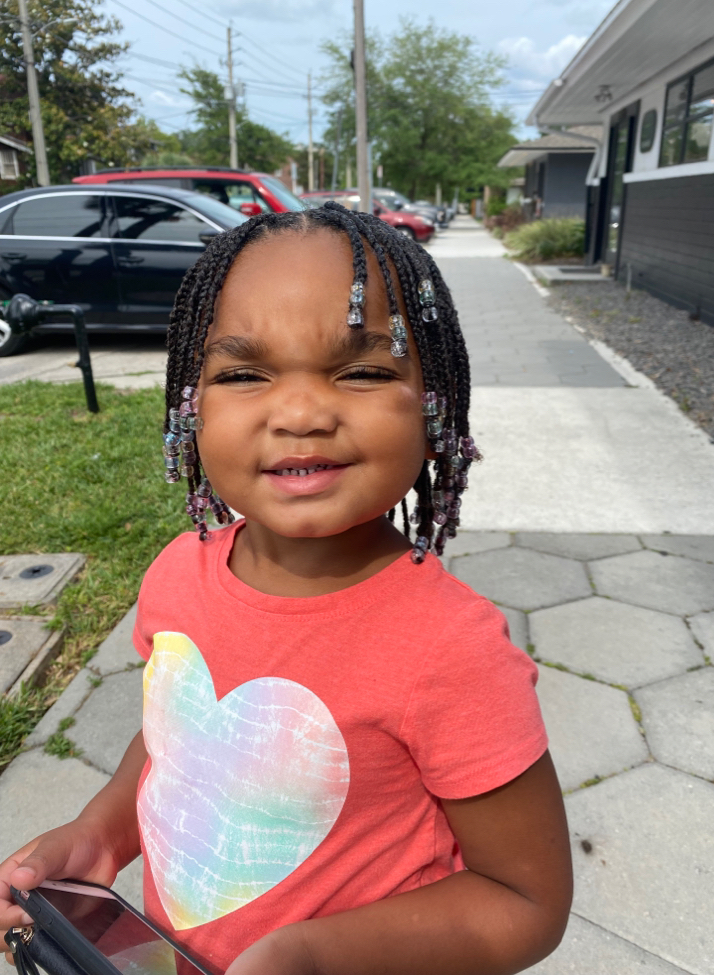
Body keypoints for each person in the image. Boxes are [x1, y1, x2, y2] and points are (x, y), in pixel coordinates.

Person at [0, 204, 572, 975]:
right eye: (242, 374)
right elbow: (180, 743)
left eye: (364, 370)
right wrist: (100, 832)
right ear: (188, 405)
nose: (300, 412)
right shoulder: (177, 572)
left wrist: (309, 956)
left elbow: (524, 900)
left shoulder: (451, 649)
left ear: (434, 404)